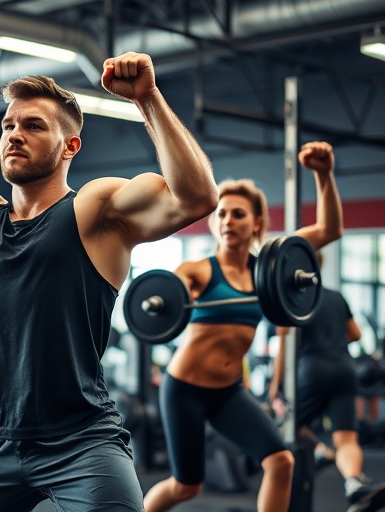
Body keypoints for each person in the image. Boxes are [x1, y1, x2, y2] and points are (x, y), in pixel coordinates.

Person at [0, 53, 219, 511]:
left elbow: (197, 198)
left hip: (81, 442)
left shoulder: (95, 210)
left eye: (33, 126)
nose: (14, 135)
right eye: (8, 125)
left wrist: (147, 99)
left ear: (70, 146)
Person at [143, 141, 343, 512]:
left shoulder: (269, 271)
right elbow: (171, 292)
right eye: (220, 215)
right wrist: (165, 299)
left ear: (257, 223)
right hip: (184, 390)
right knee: (186, 487)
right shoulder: (199, 271)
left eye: (237, 214)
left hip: (228, 392)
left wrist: (323, 173)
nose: (227, 221)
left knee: (280, 461)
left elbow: (329, 229)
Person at [269, 252, 385, 512]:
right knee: (347, 439)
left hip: (312, 369)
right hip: (344, 368)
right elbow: (356, 334)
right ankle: (353, 485)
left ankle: (321, 452)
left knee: (286, 423)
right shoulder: (336, 296)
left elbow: (285, 346)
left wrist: (273, 388)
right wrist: (333, 341)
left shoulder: (292, 300)